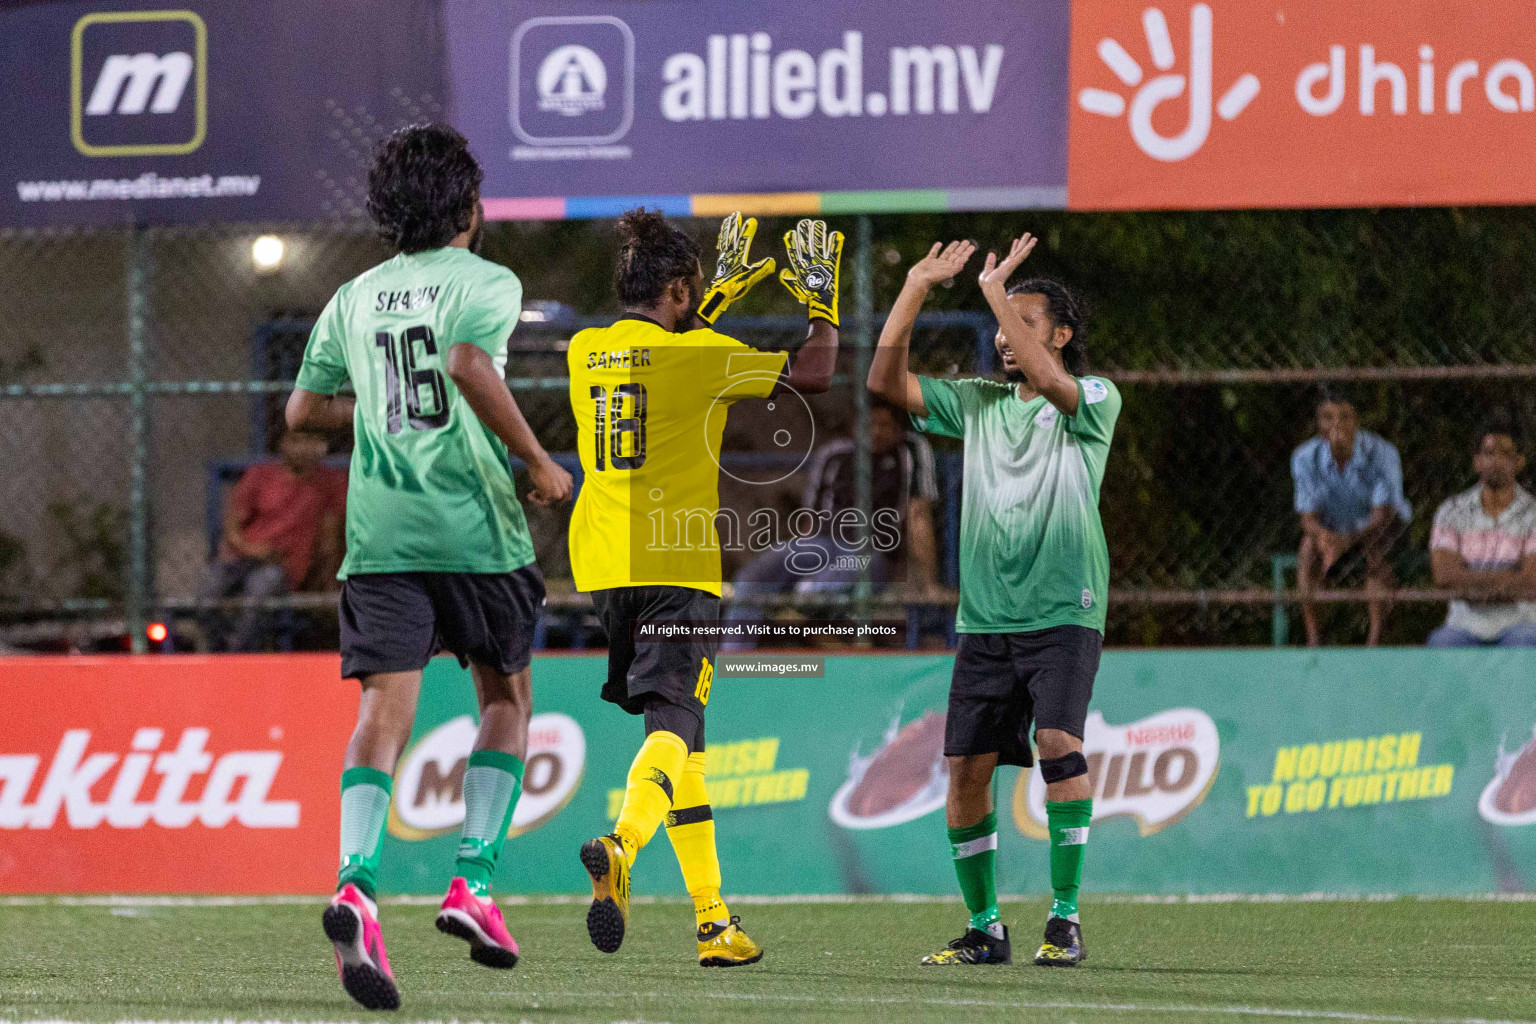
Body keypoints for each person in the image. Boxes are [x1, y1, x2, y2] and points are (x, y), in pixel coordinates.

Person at [286, 123, 572, 1010]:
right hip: (474, 529)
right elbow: (467, 364)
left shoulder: (352, 295)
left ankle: (356, 882)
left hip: (381, 537)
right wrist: (537, 461)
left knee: (381, 714)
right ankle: (472, 886)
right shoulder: (486, 280)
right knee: (505, 699)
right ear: (468, 208)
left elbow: (301, 412)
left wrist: (373, 407)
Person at [566, 209, 839, 967]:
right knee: (674, 725)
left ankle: (714, 924)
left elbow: (664, 352)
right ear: (680, 290)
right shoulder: (707, 356)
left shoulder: (585, 349)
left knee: (687, 746)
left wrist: (707, 301)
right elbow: (814, 373)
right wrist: (821, 302)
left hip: (603, 565)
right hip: (676, 568)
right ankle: (622, 844)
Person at [869, 235, 1118, 969]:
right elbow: (886, 381)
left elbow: (1054, 381)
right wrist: (915, 284)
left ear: (1062, 337)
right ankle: (985, 927)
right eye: (1006, 323)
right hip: (986, 621)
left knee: (1057, 747)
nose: (1009, 336)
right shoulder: (976, 404)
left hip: (1065, 613)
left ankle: (1065, 918)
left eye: (1026, 322)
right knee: (967, 770)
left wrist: (989, 294)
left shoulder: (1094, 399)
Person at [722, 400, 942, 647]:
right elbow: (810, 519)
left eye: (884, 425)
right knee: (752, 577)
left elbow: (918, 516)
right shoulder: (833, 455)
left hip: (872, 552)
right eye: (869, 424)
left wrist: (928, 581)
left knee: (834, 577)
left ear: (898, 429)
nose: (877, 431)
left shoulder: (908, 453)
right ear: (854, 427)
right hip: (822, 544)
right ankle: (734, 659)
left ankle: (799, 606)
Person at [198, 428, 345, 652]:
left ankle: (237, 658)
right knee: (209, 591)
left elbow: (330, 537)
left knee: (260, 589)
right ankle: (219, 653)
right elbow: (233, 525)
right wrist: (250, 549)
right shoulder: (261, 475)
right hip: (243, 557)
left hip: (282, 566)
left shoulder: (328, 483)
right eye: (295, 441)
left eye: (310, 441)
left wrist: (328, 579)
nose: (302, 449)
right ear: (283, 445)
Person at [1291, 391, 1412, 646]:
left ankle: (1374, 642)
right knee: (1307, 548)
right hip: (1333, 530)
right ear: (1318, 424)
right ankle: (1314, 641)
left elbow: (1382, 516)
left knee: (1375, 548)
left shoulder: (1382, 453)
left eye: (1344, 417)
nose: (1337, 425)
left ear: (1356, 421)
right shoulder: (1304, 458)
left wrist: (1345, 542)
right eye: (1328, 418)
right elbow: (1307, 517)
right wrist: (1324, 536)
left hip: (1379, 528)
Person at [1427, 413, 1536, 647]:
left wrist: (1470, 582)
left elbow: (1531, 579)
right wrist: (1509, 579)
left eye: (1506, 454)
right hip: (1464, 625)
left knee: (1528, 642)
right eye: (1489, 453)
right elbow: (1444, 576)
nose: (1496, 461)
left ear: (1519, 462)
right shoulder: (1451, 511)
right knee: (1441, 643)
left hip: (1521, 624)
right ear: (1477, 461)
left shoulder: (1533, 513)